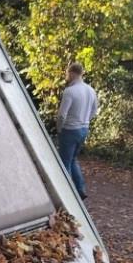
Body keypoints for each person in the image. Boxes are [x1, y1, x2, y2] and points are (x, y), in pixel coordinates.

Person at [56, 61, 98, 201]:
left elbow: (62, 114)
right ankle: (80, 189)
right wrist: (85, 121)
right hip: (83, 129)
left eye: (68, 73)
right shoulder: (91, 90)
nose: (67, 76)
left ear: (73, 73)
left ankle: (67, 194)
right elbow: (94, 111)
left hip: (70, 129)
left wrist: (59, 128)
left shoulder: (70, 91)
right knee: (73, 159)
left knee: (65, 162)